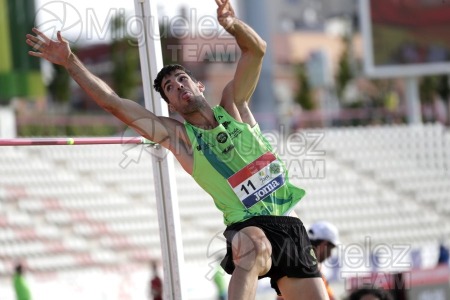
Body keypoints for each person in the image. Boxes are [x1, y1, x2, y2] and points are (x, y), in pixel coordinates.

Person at [25, 0, 328, 299]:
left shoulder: (235, 104)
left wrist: (232, 25)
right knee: (254, 247)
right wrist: (71, 62)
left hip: (290, 223)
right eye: (170, 87)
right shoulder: (180, 138)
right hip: (248, 228)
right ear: (170, 105)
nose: (179, 86)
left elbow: (256, 49)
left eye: (182, 79)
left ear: (199, 85)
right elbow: (114, 103)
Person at [308, 221, 340, 300]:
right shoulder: (311, 272)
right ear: (324, 245)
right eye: (330, 249)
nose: (330, 255)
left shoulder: (297, 266)